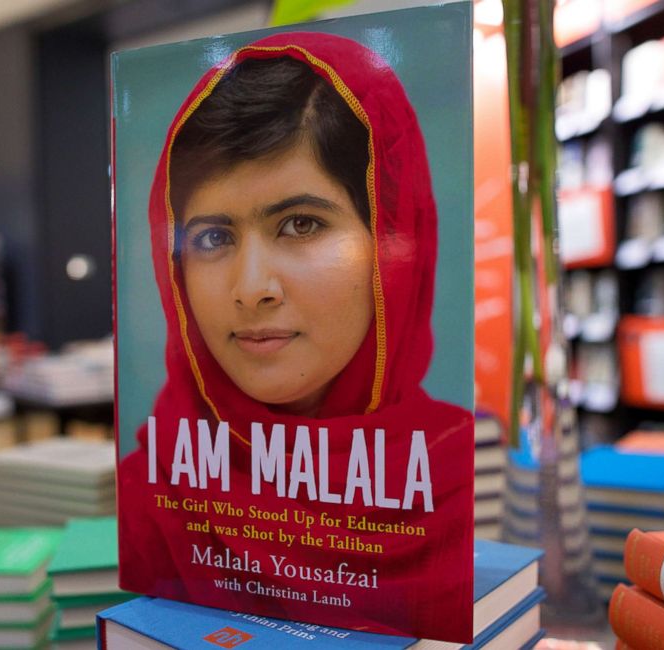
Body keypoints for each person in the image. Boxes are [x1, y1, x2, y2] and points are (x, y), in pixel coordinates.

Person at [117, 33, 474, 638]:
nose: (252, 288)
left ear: (391, 244)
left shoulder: (461, 472)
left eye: (300, 223)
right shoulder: (153, 487)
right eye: (211, 238)